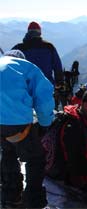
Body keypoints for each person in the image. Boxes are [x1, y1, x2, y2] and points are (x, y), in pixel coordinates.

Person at [0, 50, 54, 208]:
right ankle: (33, 199)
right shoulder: (27, 67)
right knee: (35, 158)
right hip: (18, 124)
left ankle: (10, 196)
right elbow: (44, 99)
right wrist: (45, 124)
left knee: (8, 152)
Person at [12, 21, 63, 85]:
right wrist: (59, 83)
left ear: (28, 32)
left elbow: (10, 66)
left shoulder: (18, 48)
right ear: (39, 33)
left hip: (26, 88)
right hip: (47, 86)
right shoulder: (49, 47)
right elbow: (57, 67)